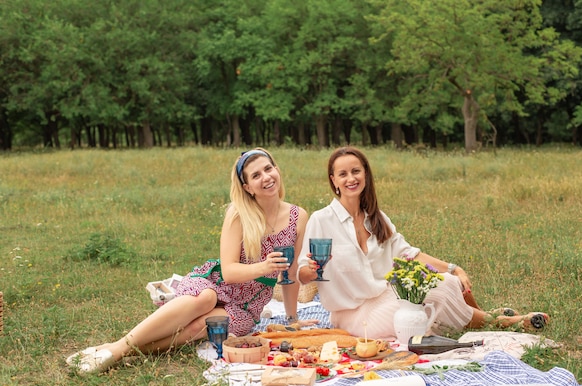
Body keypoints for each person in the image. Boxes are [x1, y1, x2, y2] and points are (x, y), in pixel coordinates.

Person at [67, 148, 310, 373]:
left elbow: (290, 276)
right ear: (247, 187)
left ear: (277, 170)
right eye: (256, 175)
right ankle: (119, 347)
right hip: (218, 285)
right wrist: (264, 267)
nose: (266, 177)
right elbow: (228, 271)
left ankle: (117, 351)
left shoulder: (298, 216)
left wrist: (291, 319)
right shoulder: (238, 214)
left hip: (249, 303)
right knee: (206, 298)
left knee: (201, 326)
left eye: (269, 169)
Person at [296, 146, 549, 340]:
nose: (350, 178)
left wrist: (454, 268)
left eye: (356, 171)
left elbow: (409, 255)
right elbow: (302, 274)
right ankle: (501, 322)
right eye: (343, 174)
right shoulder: (321, 220)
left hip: (385, 295)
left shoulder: (377, 219)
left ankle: (487, 317)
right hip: (354, 316)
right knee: (416, 309)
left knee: (445, 283)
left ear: (365, 174)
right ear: (333, 180)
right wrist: (312, 270)